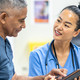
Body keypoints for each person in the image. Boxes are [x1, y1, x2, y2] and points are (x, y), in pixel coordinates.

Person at [0, 0, 67, 80]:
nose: (24, 26)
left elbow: (14, 78)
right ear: (3, 18)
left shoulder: (5, 44)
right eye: (21, 20)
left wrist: (44, 77)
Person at [29, 4, 80, 77]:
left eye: (66, 25)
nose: (59, 27)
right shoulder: (37, 55)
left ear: (76, 32)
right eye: (58, 20)